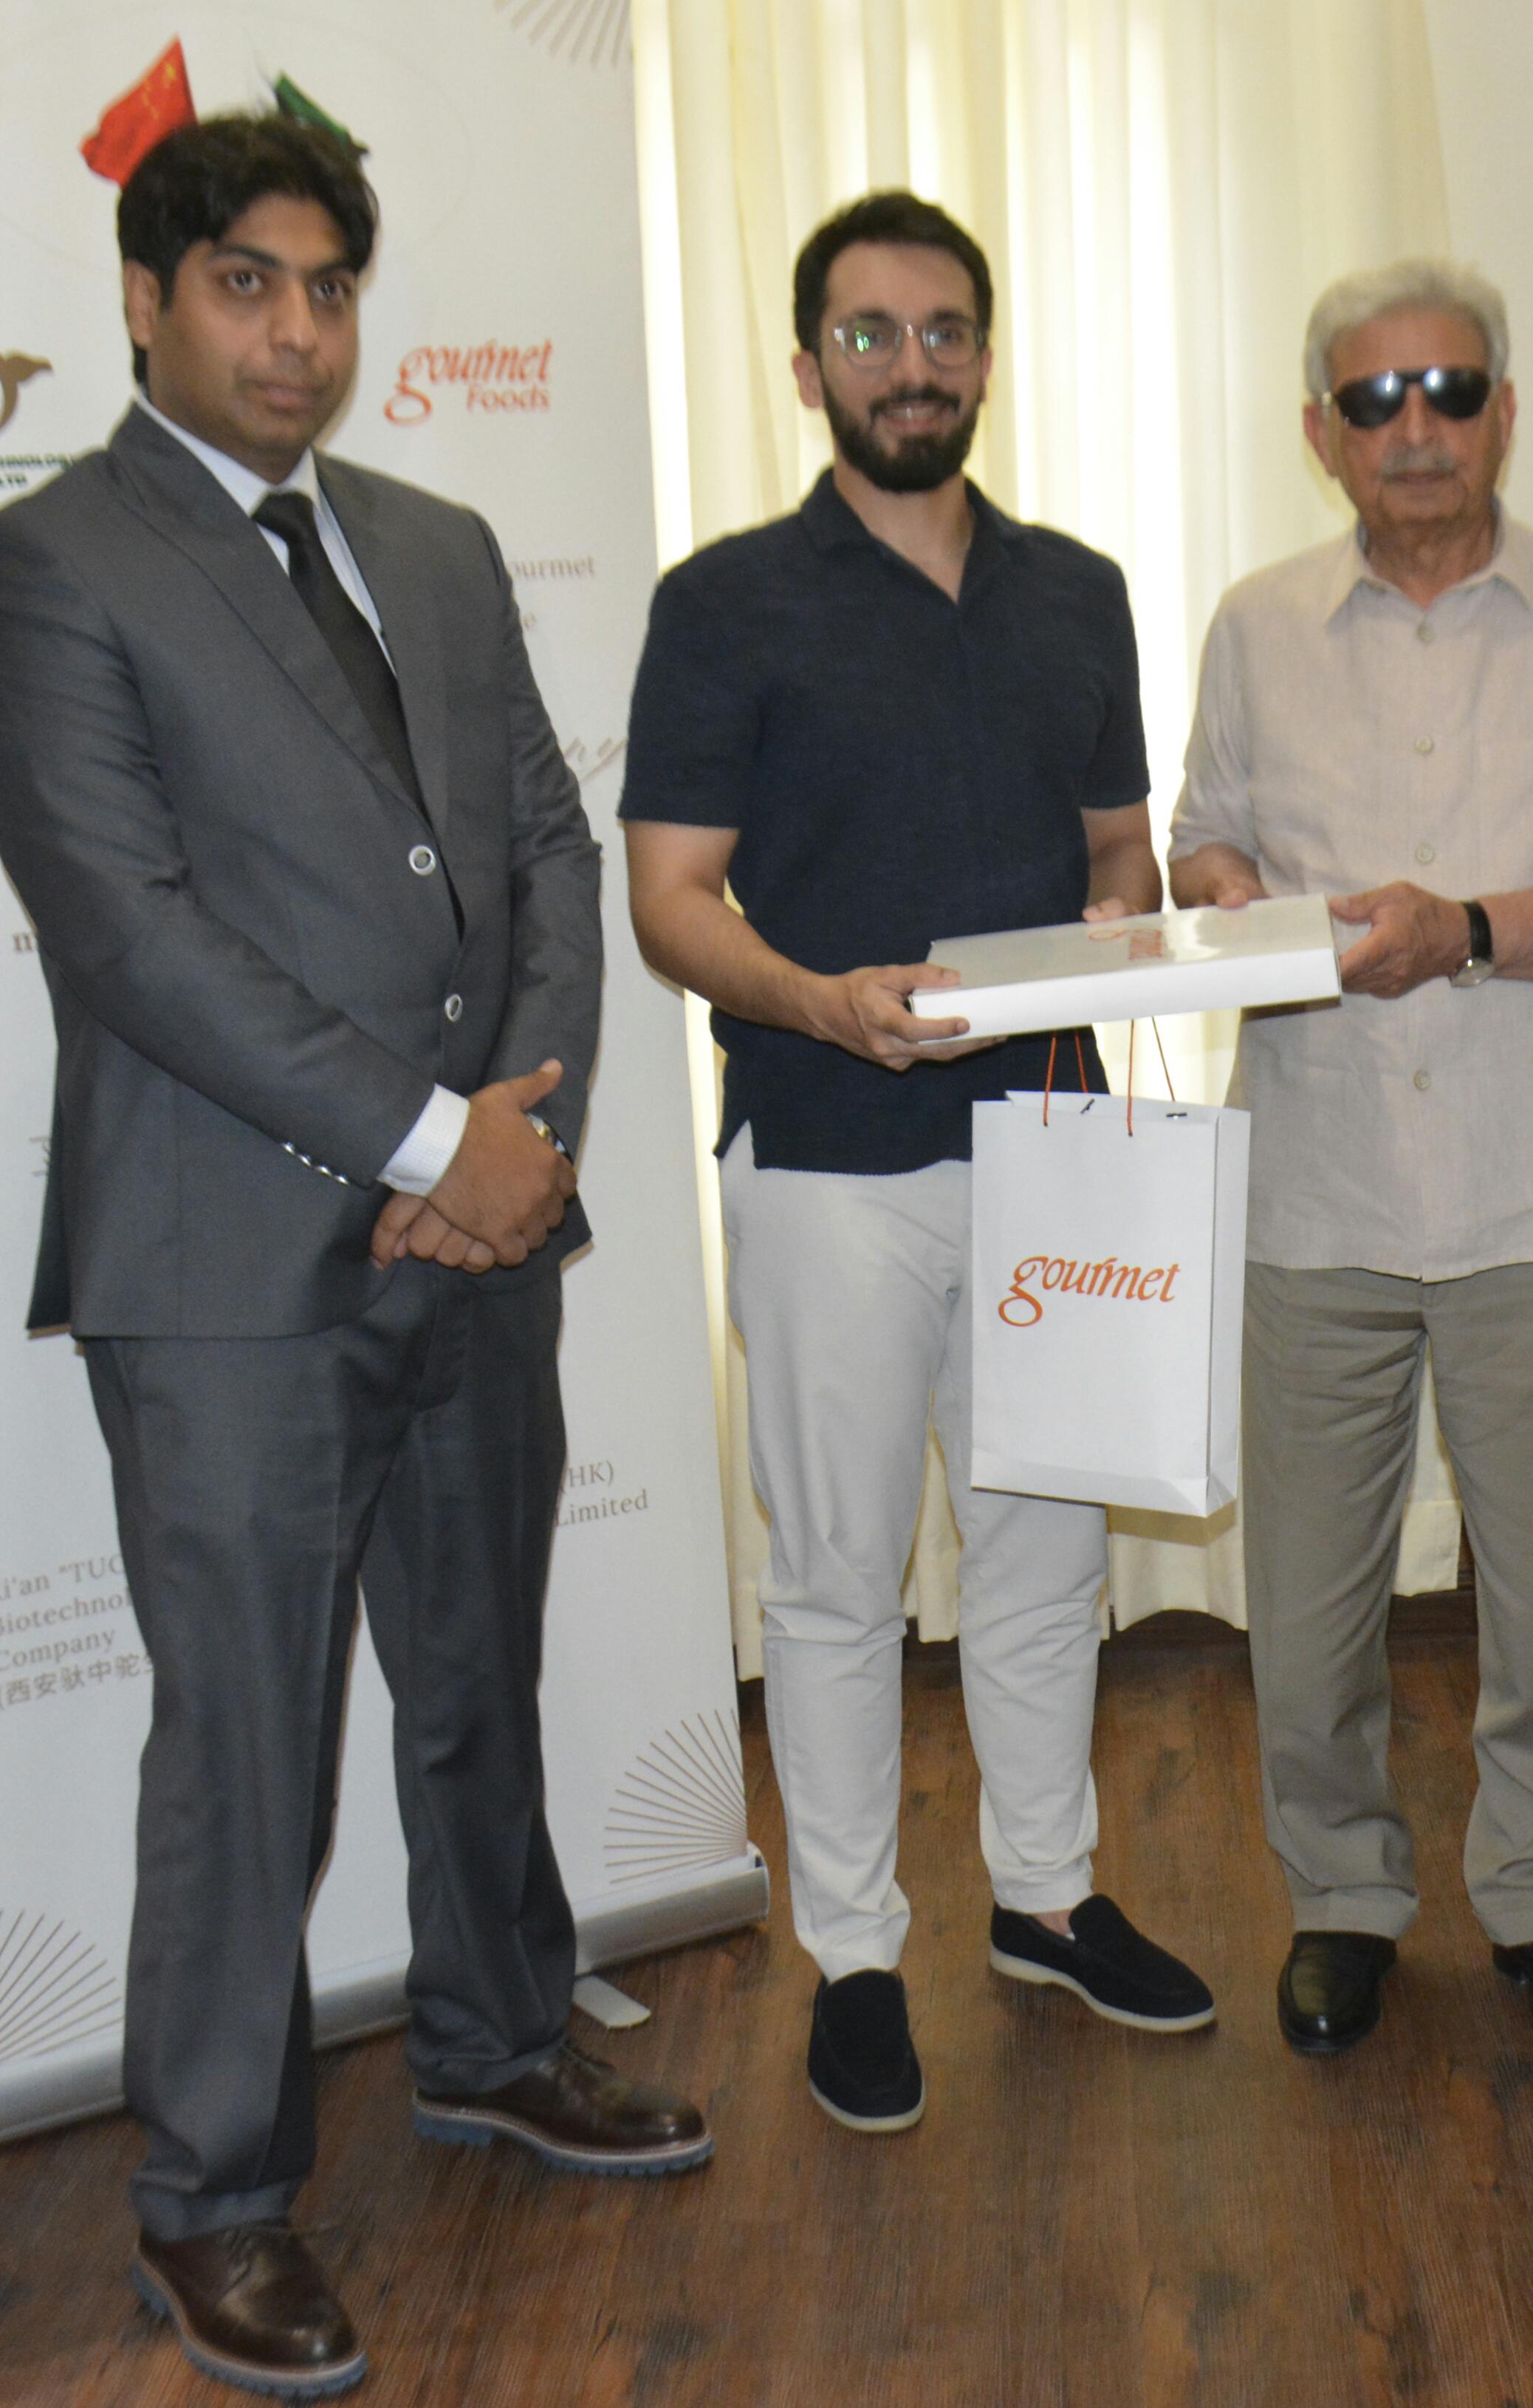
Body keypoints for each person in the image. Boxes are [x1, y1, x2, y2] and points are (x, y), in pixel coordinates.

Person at [0, 112, 704, 2401]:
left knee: (476, 1676)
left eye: (332, 288)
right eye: (249, 284)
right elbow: (130, 932)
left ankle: (496, 2037)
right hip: (223, 1273)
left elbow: (548, 847)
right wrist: (428, 1136)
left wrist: (516, 1140)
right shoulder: (41, 564)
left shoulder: (438, 546)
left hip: (480, 1235)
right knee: (248, 1746)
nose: (298, 332)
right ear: (148, 300)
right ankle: (214, 2194)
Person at [621, 191, 1213, 2138]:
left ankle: (1045, 1899)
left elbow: (1120, 850)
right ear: (808, 370)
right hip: (825, 1154)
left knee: (1047, 1553)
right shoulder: (721, 602)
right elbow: (668, 899)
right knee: (837, 1577)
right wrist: (815, 1001)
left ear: (986, 356)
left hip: (1053, 1143)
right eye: (867, 334)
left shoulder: (1076, 590)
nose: (910, 364)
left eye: (944, 330)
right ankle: (857, 1955)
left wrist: (1125, 915)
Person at [1167, 260, 1533, 2059]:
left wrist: (1463, 929)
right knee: (1310, 1599)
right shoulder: (1254, 624)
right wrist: (1229, 895)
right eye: (1374, 398)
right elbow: (1200, 836)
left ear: (1505, 413)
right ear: (1319, 432)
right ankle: (1341, 1896)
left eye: (1451, 390)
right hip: (1314, 1177)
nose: (1416, 427)